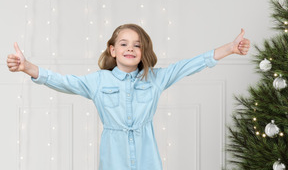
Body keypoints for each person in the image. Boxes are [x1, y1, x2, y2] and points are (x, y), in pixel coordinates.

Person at [7, 24, 250, 170]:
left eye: (136, 45)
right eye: (123, 44)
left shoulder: (155, 78)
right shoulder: (98, 81)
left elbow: (190, 65)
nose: (130, 49)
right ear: (113, 50)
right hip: (113, 159)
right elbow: (62, 81)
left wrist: (229, 47)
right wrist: (27, 67)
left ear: (143, 51)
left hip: (148, 159)